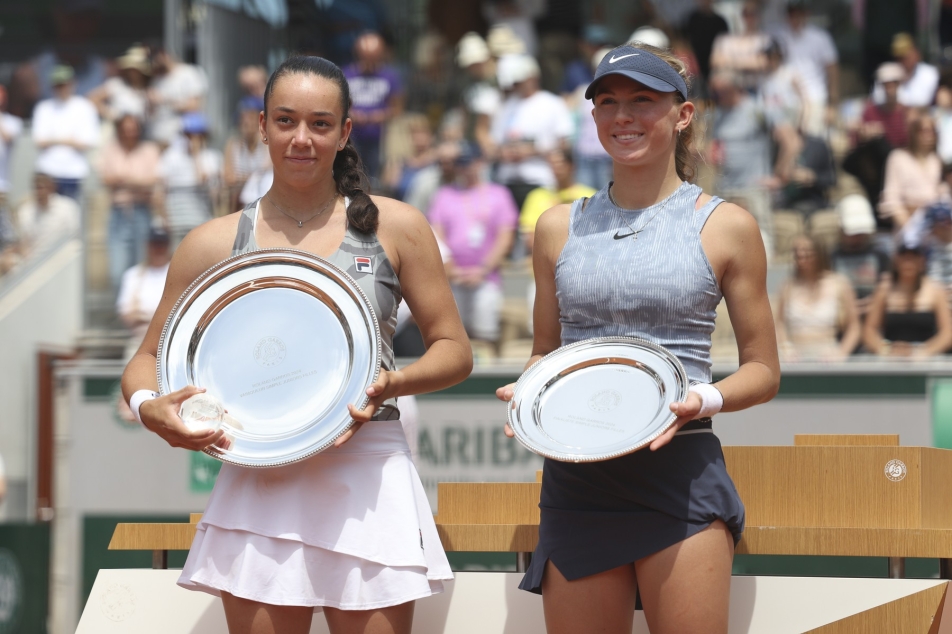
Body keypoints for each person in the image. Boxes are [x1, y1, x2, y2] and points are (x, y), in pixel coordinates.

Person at [121, 55, 472, 633]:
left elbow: (454, 350)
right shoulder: (210, 243)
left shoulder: (398, 225)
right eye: (285, 121)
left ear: (345, 132)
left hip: (368, 472)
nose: (301, 139)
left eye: (320, 123)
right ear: (261, 127)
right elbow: (144, 363)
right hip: (259, 472)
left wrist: (395, 381)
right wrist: (148, 408)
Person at [496, 43, 780, 633]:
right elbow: (545, 352)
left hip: (681, 473)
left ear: (683, 114)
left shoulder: (727, 225)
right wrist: (530, 392)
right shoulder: (554, 227)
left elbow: (763, 370)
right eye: (607, 103)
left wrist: (704, 398)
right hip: (578, 477)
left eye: (641, 101)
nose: (622, 116)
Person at [428, 142, 517, 347]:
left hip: (486, 278)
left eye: (469, 162)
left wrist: (483, 270)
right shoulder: (444, 195)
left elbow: (505, 237)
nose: (465, 168)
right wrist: (452, 270)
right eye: (461, 163)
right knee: (451, 337)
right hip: (452, 278)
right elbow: (436, 235)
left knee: (485, 336)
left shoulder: (498, 194)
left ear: (480, 163)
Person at [490, 54, 574, 209]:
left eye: (520, 81)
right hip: (507, 180)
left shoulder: (552, 104)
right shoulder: (506, 106)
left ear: (533, 77)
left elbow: (564, 145)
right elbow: (494, 143)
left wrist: (532, 151)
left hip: (540, 179)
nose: (516, 85)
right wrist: (504, 153)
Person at [99, 114, 161, 290]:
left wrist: (123, 181)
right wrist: (136, 182)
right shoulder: (111, 149)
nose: (129, 133)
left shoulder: (149, 149)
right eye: (126, 129)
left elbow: (152, 181)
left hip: (142, 211)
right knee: (117, 273)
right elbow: (105, 179)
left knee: (141, 268)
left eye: (133, 129)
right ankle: (123, 314)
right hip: (118, 213)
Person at [775, 235, 861, 361]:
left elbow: (854, 327)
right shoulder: (787, 286)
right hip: (795, 359)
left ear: (819, 254)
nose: (801, 258)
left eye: (807, 253)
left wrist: (841, 353)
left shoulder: (839, 283)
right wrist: (786, 348)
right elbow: (778, 323)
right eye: (797, 254)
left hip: (828, 357)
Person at [863, 242, 952, 357]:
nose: (909, 262)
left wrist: (924, 352)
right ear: (896, 261)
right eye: (904, 257)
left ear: (922, 261)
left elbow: (947, 333)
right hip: (892, 357)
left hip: (927, 358)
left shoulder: (935, 291)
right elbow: (869, 330)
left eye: (914, 257)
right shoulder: (884, 291)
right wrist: (886, 350)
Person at [31, 64, 99, 200]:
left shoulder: (85, 107)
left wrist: (54, 140)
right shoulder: (43, 108)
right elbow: (39, 141)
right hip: (47, 172)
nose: (61, 88)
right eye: (57, 85)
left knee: (71, 216)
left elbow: (88, 141)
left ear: (73, 83)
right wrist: (69, 140)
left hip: (73, 174)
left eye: (64, 84)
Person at [772, 0, 839, 137]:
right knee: (787, 142)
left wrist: (832, 105)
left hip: (814, 97)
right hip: (787, 99)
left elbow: (832, 71)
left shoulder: (820, 37)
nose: (795, 18)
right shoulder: (778, 36)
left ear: (806, 14)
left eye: (799, 13)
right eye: (792, 14)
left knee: (811, 141)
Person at [343, 32, 404, 182]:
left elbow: (398, 108)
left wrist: (379, 116)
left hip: (380, 138)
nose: (369, 62)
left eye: (373, 57)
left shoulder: (390, 76)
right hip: (351, 137)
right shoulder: (346, 74)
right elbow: (336, 104)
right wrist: (351, 114)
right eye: (365, 57)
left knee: (376, 178)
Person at [155, 112, 222, 247]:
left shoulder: (212, 158)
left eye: (197, 135)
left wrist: (196, 156)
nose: (192, 139)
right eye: (189, 135)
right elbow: (160, 189)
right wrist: (164, 218)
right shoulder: (170, 156)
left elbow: (203, 181)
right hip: (175, 224)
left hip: (201, 223)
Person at [879, 115, 943, 239]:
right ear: (914, 133)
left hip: (933, 231)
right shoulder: (897, 158)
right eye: (924, 131)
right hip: (906, 231)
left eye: (932, 131)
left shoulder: (935, 161)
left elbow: (938, 197)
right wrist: (912, 229)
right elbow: (891, 200)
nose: (929, 136)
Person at [830, 194, 891, 316]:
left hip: (874, 312)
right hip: (842, 313)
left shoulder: (880, 255)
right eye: (852, 234)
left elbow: (887, 285)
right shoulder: (832, 257)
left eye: (860, 233)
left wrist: (874, 302)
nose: (856, 238)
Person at [116, 227, 171, 360]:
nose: (158, 249)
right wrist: (159, 317)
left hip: (169, 343)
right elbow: (127, 315)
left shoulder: (175, 273)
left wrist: (143, 315)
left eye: (161, 245)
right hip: (140, 342)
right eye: (155, 244)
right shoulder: (133, 275)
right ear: (148, 246)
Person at [11, 172, 81, 258]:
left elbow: (74, 237)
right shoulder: (26, 211)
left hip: (63, 257)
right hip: (34, 261)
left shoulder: (68, 208)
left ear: (51, 188)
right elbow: (23, 243)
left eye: (41, 188)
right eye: (36, 188)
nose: (38, 192)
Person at [148, 47, 209, 147]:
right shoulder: (156, 80)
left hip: (182, 140)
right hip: (157, 139)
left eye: (154, 57)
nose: (153, 62)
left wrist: (164, 100)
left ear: (163, 54)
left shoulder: (189, 73)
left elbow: (195, 105)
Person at [709, 1, 770, 93]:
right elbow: (715, 61)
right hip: (726, 91)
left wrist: (729, 61)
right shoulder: (725, 39)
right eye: (746, 14)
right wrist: (746, 61)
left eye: (752, 14)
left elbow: (762, 63)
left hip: (752, 89)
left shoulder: (764, 40)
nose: (749, 19)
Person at [223, 96, 271, 212]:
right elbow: (229, 177)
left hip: (263, 202)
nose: (246, 121)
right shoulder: (233, 144)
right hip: (238, 205)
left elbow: (268, 170)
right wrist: (253, 177)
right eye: (243, 117)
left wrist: (243, 178)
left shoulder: (267, 144)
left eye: (250, 117)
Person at [871, 32, 939, 109]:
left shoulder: (929, 72)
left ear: (916, 53)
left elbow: (923, 101)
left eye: (906, 56)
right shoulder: (886, 72)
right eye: (899, 57)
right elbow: (877, 100)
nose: (903, 61)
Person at [88, 45, 151, 123]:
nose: (132, 73)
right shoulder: (117, 84)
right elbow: (92, 98)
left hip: (139, 132)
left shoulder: (147, 88)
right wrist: (111, 113)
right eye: (130, 70)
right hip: (116, 132)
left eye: (135, 70)